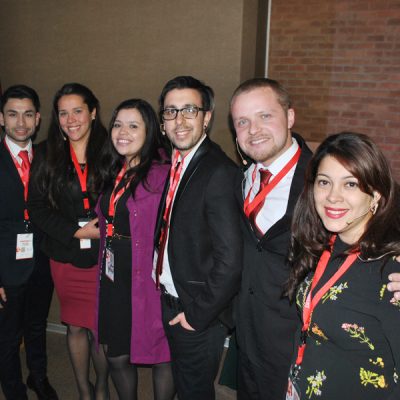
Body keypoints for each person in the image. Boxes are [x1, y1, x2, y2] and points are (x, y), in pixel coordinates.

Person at [285, 132, 400, 399]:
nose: (333, 197)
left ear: (375, 194)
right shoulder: (323, 243)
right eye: (324, 182)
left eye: (350, 184)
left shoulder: (391, 270)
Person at [154, 76, 242, 400]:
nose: (179, 120)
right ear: (162, 122)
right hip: (174, 299)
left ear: (207, 117)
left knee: (194, 391)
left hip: (196, 311)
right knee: (186, 384)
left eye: (189, 110)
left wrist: (196, 315)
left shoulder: (218, 171)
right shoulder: (179, 163)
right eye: (171, 111)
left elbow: (231, 262)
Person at [229, 77, 313, 399]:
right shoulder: (241, 179)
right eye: (243, 121)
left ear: (290, 117)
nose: (254, 130)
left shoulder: (322, 177)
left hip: (300, 342)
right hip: (248, 337)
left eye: (265, 116)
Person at [28, 83, 109, 400]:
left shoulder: (111, 148)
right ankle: (83, 390)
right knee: (75, 327)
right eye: (63, 113)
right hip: (64, 255)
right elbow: (37, 208)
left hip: (104, 258)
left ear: (92, 112)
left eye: (78, 110)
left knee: (100, 330)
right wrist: (77, 232)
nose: (71, 119)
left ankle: (101, 387)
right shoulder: (46, 153)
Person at [95, 98, 174, 400]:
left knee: (162, 353)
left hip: (148, 275)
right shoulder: (115, 169)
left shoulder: (161, 174)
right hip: (114, 274)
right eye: (117, 124)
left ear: (149, 131)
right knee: (115, 354)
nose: (122, 132)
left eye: (132, 125)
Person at [0, 85, 58, 400]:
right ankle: (12, 389)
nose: (20, 123)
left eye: (27, 114)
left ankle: (38, 376)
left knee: (37, 325)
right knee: (8, 335)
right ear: (1, 118)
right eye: (12, 114)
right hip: (5, 263)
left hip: (42, 258)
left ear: (37, 119)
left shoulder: (49, 158)